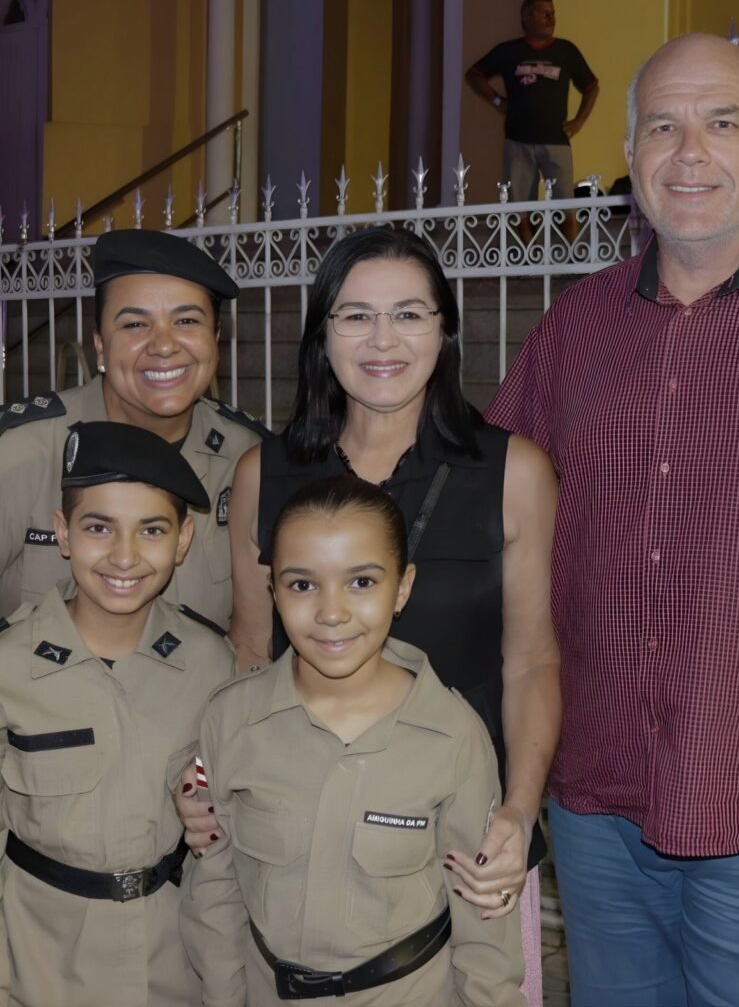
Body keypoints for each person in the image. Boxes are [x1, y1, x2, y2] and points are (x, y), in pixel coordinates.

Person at [486, 32, 739, 1007]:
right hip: (597, 808)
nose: (690, 152)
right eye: (663, 127)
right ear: (629, 152)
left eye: (722, 123)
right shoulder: (573, 327)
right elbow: (487, 516)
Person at [178, 226, 560, 1005]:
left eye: (409, 314)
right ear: (322, 336)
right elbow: (249, 652)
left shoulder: (511, 472)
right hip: (299, 837)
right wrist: (209, 780)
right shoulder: (264, 473)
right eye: (355, 315)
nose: (383, 339)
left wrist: (518, 812)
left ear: (443, 330)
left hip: (458, 844)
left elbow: (530, 661)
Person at [180, 475, 528, 1006]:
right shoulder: (231, 720)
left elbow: (484, 934)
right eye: (302, 585)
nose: (332, 612)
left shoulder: (453, 736)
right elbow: (215, 891)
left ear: (403, 587)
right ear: (272, 589)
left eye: (361, 582)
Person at [0, 421, 235, 1006]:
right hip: (37, 961)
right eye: (99, 527)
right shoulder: (9, 665)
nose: (124, 556)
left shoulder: (211, 662)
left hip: (173, 958)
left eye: (151, 530)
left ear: (182, 540)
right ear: (63, 533)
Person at [0, 228, 269, 630]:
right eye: (135, 325)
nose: (164, 345)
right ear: (100, 346)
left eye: (186, 321)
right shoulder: (22, 451)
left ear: (215, 339)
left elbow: (258, 636)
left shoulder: (247, 460)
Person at [465, 0, 599, 241]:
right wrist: (498, 101)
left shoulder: (566, 51)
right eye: (544, 13)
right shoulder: (509, 51)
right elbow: (474, 75)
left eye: (553, 13)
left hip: (556, 140)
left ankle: (574, 255)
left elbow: (591, 87)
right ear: (527, 17)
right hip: (518, 140)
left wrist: (579, 122)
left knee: (567, 208)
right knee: (521, 212)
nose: (551, 18)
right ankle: (528, 257)